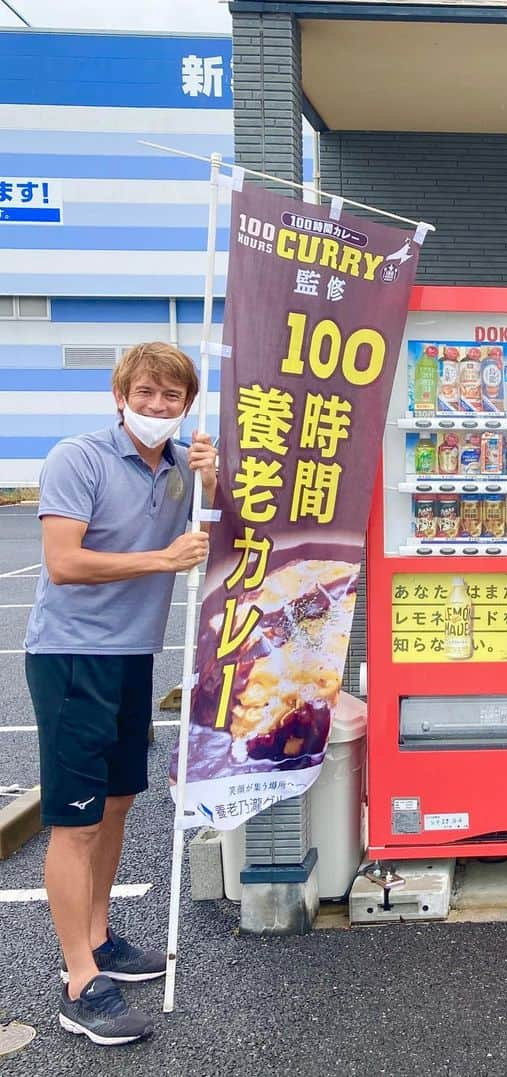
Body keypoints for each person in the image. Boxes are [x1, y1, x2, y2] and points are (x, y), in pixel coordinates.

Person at [24, 342, 217, 1045]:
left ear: (187, 402)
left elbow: (222, 528)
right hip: (73, 657)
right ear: (120, 394)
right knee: (73, 820)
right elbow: (64, 560)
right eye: (146, 393)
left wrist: (213, 477)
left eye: (172, 396)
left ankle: (99, 937)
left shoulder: (178, 470)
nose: (158, 406)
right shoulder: (79, 458)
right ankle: (79, 981)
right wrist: (161, 559)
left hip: (135, 654)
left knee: (116, 803)